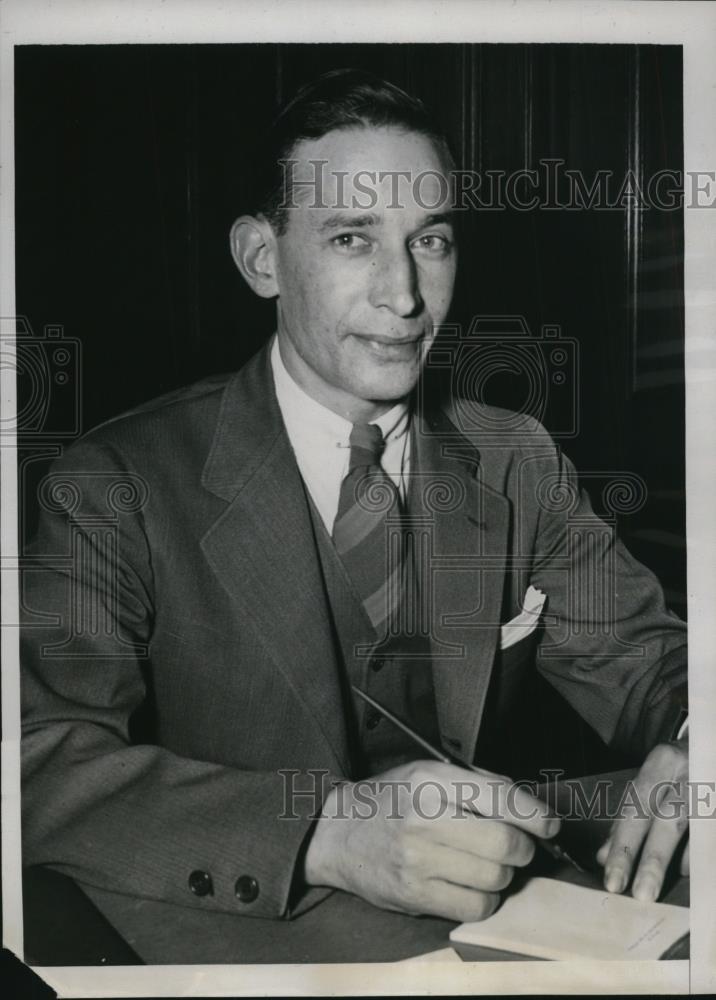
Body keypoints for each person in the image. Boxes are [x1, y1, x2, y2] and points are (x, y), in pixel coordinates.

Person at [21, 69, 688, 929]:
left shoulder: (517, 460)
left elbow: (654, 666)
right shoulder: (114, 484)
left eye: (430, 240)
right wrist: (325, 833)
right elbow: (37, 763)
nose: (404, 296)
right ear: (262, 259)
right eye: (351, 238)